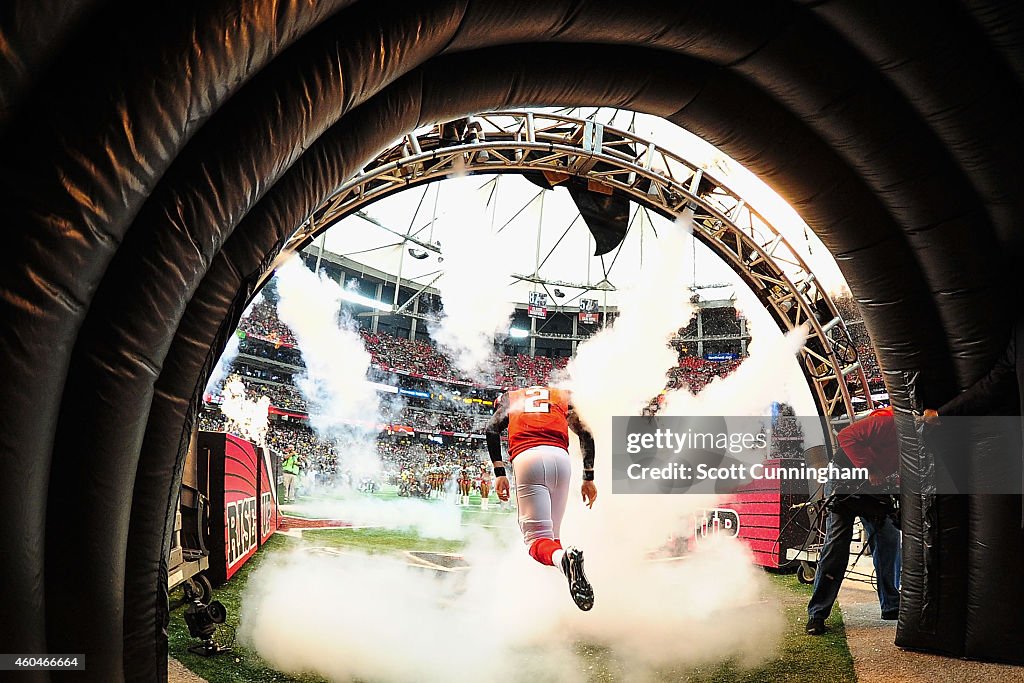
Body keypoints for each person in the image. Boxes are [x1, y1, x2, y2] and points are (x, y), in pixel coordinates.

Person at [485, 385, 598, 611]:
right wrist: (588, 478)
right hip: (560, 460)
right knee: (553, 541)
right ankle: (556, 599)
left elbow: (492, 429)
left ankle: (566, 561)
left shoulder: (512, 397)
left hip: (529, 458)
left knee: (536, 541)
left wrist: (499, 472)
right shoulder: (561, 396)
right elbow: (585, 432)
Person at [806, 406, 901, 635]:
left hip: (876, 485)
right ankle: (817, 613)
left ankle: (891, 604)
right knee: (837, 544)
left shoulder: (920, 443)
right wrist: (870, 468)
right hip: (845, 479)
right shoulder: (888, 421)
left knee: (888, 539)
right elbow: (845, 436)